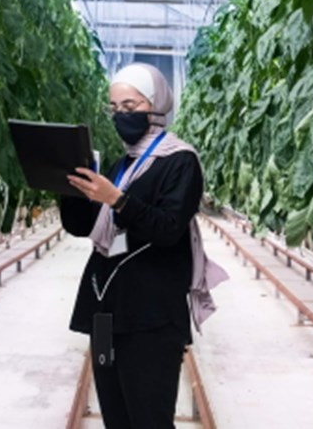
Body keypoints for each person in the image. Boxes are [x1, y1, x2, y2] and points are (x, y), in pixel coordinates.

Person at [60, 62, 228, 429]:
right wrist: (65, 187)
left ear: (157, 105)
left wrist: (118, 200)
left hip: (151, 317)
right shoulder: (122, 164)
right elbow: (84, 227)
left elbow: (168, 229)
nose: (121, 116)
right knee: (115, 414)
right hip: (103, 312)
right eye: (115, 108)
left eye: (130, 107)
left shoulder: (181, 162)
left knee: (149, 417)